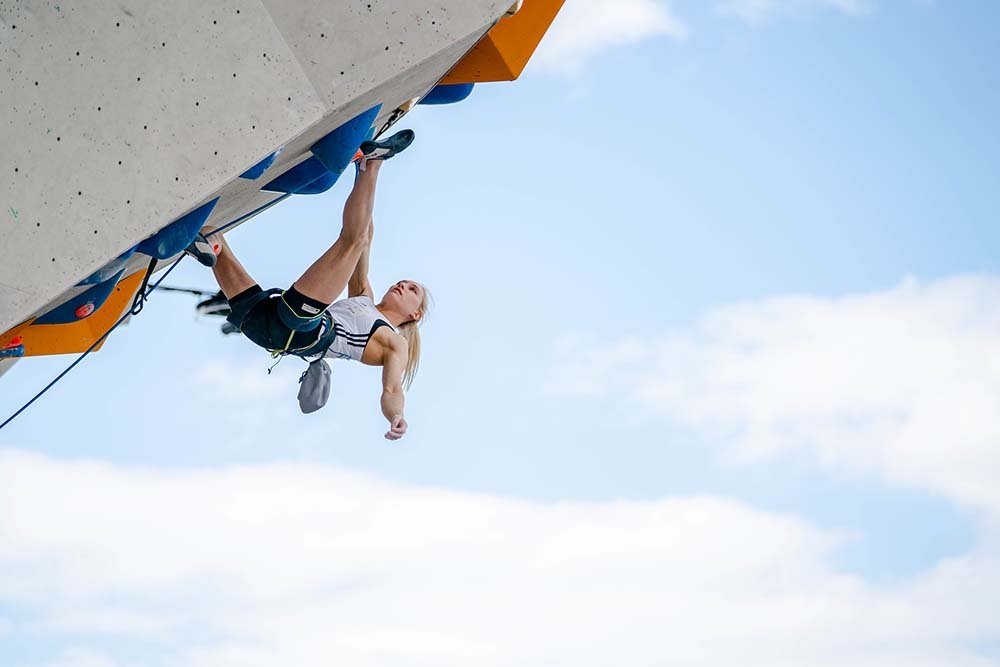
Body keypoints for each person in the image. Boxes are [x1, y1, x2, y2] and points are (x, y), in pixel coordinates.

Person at [199, 130, 429, 441]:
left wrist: (396, 415)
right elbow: (366, 234)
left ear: (415, 315)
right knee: (213, 235)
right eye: (405, 282)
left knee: (353, 241)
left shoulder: (394, 344)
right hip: (265, 327)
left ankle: (372, 163)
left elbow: (392, 388)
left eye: (413, 290)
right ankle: (206, 246)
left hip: (301, 325)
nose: (403, 284)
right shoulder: (362, 296)